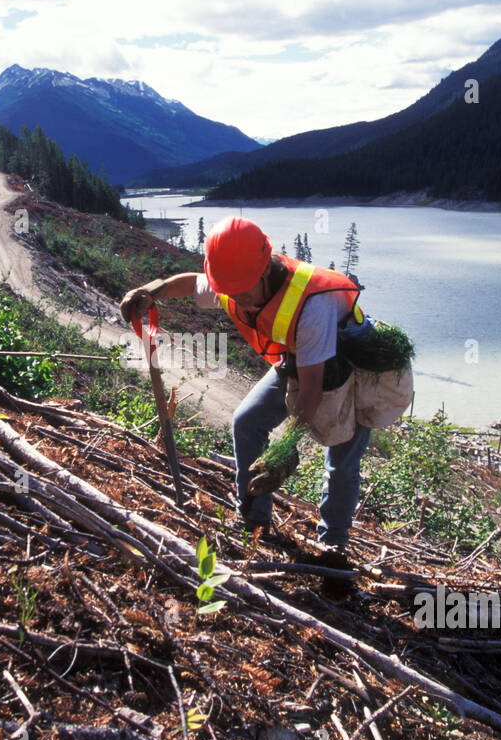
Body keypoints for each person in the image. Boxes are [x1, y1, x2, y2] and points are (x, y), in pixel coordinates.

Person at [119, 214, 375, 551]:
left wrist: (285, 450)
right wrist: (155, 289)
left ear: (265, 270)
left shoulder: (313, 305)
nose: (236, 299)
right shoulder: (234, 279)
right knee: (247, 422)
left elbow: (312, 390)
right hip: (299, 358)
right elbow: (194, 282)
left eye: (242, 292)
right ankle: (253, 521)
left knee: (340, 458)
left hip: (350, 366)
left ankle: (333, 547)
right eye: (229, 292)